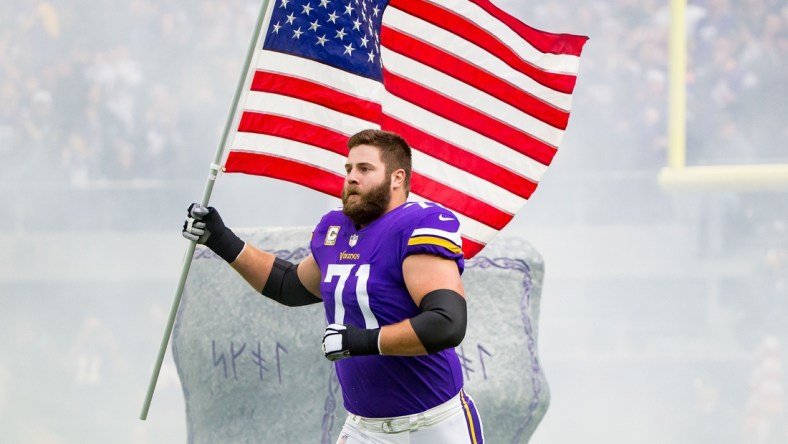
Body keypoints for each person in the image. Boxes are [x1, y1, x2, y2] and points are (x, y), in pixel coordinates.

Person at [182, 129, 484, 443]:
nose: (352, 177)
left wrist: (361, 341)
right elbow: (289, 285)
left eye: (365, 169)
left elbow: (447, 324)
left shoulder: (416, 225)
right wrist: (221, 239)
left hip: (430, 426)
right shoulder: (336, 228)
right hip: (364, 428)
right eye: (349, 169)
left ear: (397, 178)